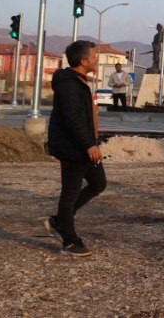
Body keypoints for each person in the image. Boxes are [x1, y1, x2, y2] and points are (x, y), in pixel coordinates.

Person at [45, 40, 106, 257]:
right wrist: (89, 144)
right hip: (73, 147)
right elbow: (72, 119)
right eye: (94, 57)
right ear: (83, 61)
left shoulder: (78, 81)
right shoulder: (69, 84)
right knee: (70, 192)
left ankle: (61, 221)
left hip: (83, 145)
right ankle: (69, 240)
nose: (97, 60)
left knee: (98, 183)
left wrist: (93, 141)